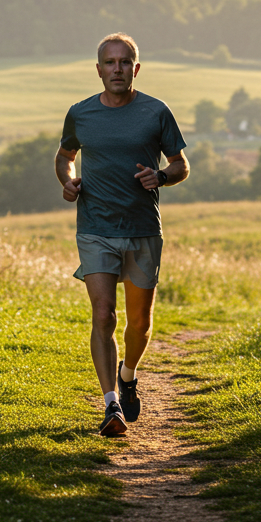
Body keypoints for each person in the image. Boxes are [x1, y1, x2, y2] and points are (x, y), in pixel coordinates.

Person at [56, 32, 189, 437]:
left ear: (136, 67)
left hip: (143, 229)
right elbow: (65, 156)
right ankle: (111, 403)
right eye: (110, 62)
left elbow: (181, 164)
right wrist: (69, 181)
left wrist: (161, 177)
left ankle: (128, 374)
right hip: (95, 228)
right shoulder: (80, 114)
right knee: (103, 314)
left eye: (125, 61)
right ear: (98, 70)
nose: (117, 69)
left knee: (140, 323)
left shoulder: (156, 112)